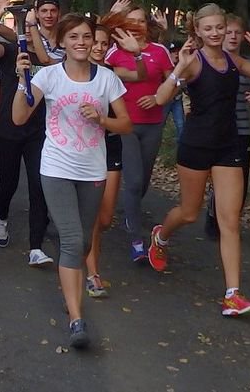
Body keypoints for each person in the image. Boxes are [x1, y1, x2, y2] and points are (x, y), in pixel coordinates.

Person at [146, 4, 250, 317]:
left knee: (229, 221)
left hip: (228, 146)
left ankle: (233, 295)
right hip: (196, 146)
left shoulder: (235, 61)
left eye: (220, 27)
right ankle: (161, 236)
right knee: (189, 213)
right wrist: (179, 68)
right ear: (198, 31)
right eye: (208, 28)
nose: (216, 33)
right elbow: (161, 98)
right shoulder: (193, 62)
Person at [12, 13, 131, 349]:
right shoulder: (48, 76)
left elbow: (126, 125)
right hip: (56, 168)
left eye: (86, 36)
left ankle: (70, 281)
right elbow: (19, 117)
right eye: (74, 37)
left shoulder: (106, 79)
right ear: (62, 42)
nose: (81, 42)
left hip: (92, 170)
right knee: (73, 239)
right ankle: (76, 319)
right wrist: (21, 82)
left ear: (94, 41)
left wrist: (103, 119)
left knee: (83, 244)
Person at [0, 0, 53, 266]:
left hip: (38, 131)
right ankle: (1, 216)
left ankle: (36, 247)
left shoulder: (49, 60)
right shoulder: (12, 50)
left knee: (38, 185)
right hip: (8, 130)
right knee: (9, 183)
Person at [105, 5, 173, 262]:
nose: (136, 26)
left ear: (147, 25)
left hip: (153, 122)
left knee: (142, 181)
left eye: (140, 21)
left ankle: (130, 210)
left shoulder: (160, 51)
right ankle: (136, 239)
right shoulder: (114, 53)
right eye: (130, 21)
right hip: (127, 124)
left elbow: (173, 82)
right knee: (133, 181)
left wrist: (158, 97)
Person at [85, 20, 143, 298]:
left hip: (109, 147)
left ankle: (84, 248)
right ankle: (92, 274)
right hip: (82, 150)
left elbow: (141, 75)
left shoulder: (111, 74)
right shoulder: (70, 72)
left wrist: (137, 53)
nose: (98, 47)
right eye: (94, 42)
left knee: (106, 218)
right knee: (93, 218)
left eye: (103, 43)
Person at [205, 14, 250, 240]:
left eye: (238, 33)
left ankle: (230, 222)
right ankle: (215, 217)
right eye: (229, 32)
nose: (233, 37)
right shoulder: (210, 62)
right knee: (219, 181)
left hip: (241, 130)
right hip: (215, 130)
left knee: (240, 182)